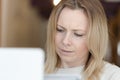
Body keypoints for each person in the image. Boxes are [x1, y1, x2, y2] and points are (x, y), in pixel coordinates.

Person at [45, 0, 120, 80]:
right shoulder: (35, 72)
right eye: (60, 30)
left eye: (78, 34)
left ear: (95, 38)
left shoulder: (113, 75)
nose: (65, 41)